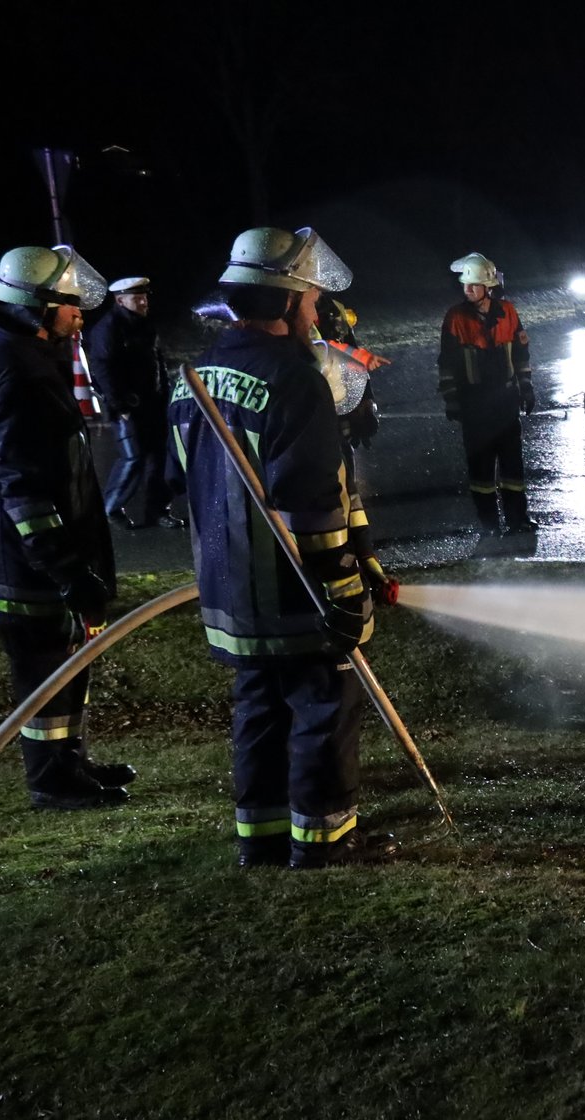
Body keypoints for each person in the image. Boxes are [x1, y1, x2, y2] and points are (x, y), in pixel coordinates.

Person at [166, 226, 394, 870]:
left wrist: (366, 548)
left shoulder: (198, 376)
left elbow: (178, 480)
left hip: (229, 586)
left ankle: (260, 840)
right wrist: (344, 589)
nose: (318, 312)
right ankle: (325, 841)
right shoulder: (295, 378)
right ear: (288, 301)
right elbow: (311, 503)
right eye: (313, 300)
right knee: (325, 702)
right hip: (294, 587)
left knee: (260, 707)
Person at [0, 244, 134, 810]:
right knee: (46, 669)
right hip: (24, 560)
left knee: (61, 663)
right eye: (69, 303)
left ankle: (66, 761)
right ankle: (52, 779)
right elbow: (24, 486)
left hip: (12, 554)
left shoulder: (1, 354)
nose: (81, 313)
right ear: (37, 308)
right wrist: (65, 568)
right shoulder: (20, 372)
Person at [438, 252, 538, 534]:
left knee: (512, 466)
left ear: (488, 287)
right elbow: (447, 363)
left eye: (473, 285)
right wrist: (452, 398)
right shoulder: (455, 317)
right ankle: (489, 525)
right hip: (474, 403)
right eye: (465, 285)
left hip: (505, 401)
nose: (467, 289)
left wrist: (526, 387)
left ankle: (518, 519)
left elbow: (520, 354)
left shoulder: (508, 312)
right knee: (480, 469)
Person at [313, 296, 400, 608]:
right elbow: (323, 349)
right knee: (333, 506)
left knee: (350, 497)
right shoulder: (305, 336)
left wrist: (365, 407)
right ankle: (347, 575)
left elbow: (344, 355)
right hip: (315, 435)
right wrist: (360, 355)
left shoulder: (331, 324)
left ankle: (364, 564)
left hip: (335, 431)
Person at [84, 275, 181, 529]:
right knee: (133, 457)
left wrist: (165, 391)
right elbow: (102, 368)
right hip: (128, 407)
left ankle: (158, 511)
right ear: (120, 300)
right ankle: (111, 508)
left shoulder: (143, 324)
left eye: (144, 297)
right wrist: (120, 406)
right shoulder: (108, 329)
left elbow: (156, 359)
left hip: (154, 402)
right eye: (137, 298)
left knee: (159, 458)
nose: (143, 302)